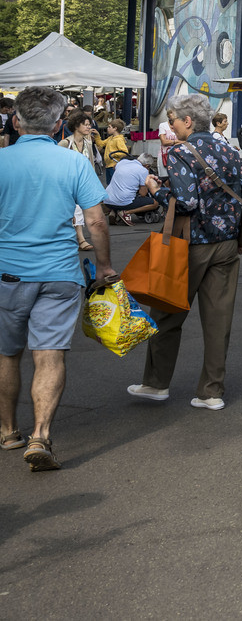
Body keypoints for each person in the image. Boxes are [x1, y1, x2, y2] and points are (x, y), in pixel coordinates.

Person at [125, 94, 242, 411]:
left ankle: (156, 383)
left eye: (172, 120)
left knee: (167, 312)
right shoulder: (225, 148)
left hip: (190, 244)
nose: (170, 125)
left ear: (187, 121)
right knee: (218, 320)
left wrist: (157, 189)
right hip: (226, 243)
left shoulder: (179, 153)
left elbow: (186, 203)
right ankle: (211, 392)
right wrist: (238, 232)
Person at [0, 87, 111, 471]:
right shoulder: (74, 163)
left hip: (8, 274)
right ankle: (41, 435)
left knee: (7, 353)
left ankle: (9, 430)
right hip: (61, 273)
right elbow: (96, 220)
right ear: (59, 123)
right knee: (49, 354)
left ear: (16, 121)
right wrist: (106, 265)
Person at [104, 155, 162, 224]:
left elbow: (114, 167)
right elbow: (143, 193)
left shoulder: (123, 162)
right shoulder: (143, 170)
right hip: (123, 201)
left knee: (121, 195)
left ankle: (114, 211)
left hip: (107, 200)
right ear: (147, 166)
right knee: (155, 203)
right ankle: (126, 212)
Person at [158, 106, 179, 170]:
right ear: (168, 115)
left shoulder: (180, 126)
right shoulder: (163, 125)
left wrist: (170, 142)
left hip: (177, 156)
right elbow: (164, 142)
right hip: (165, 156)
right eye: (171, 113)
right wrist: (176, 142)